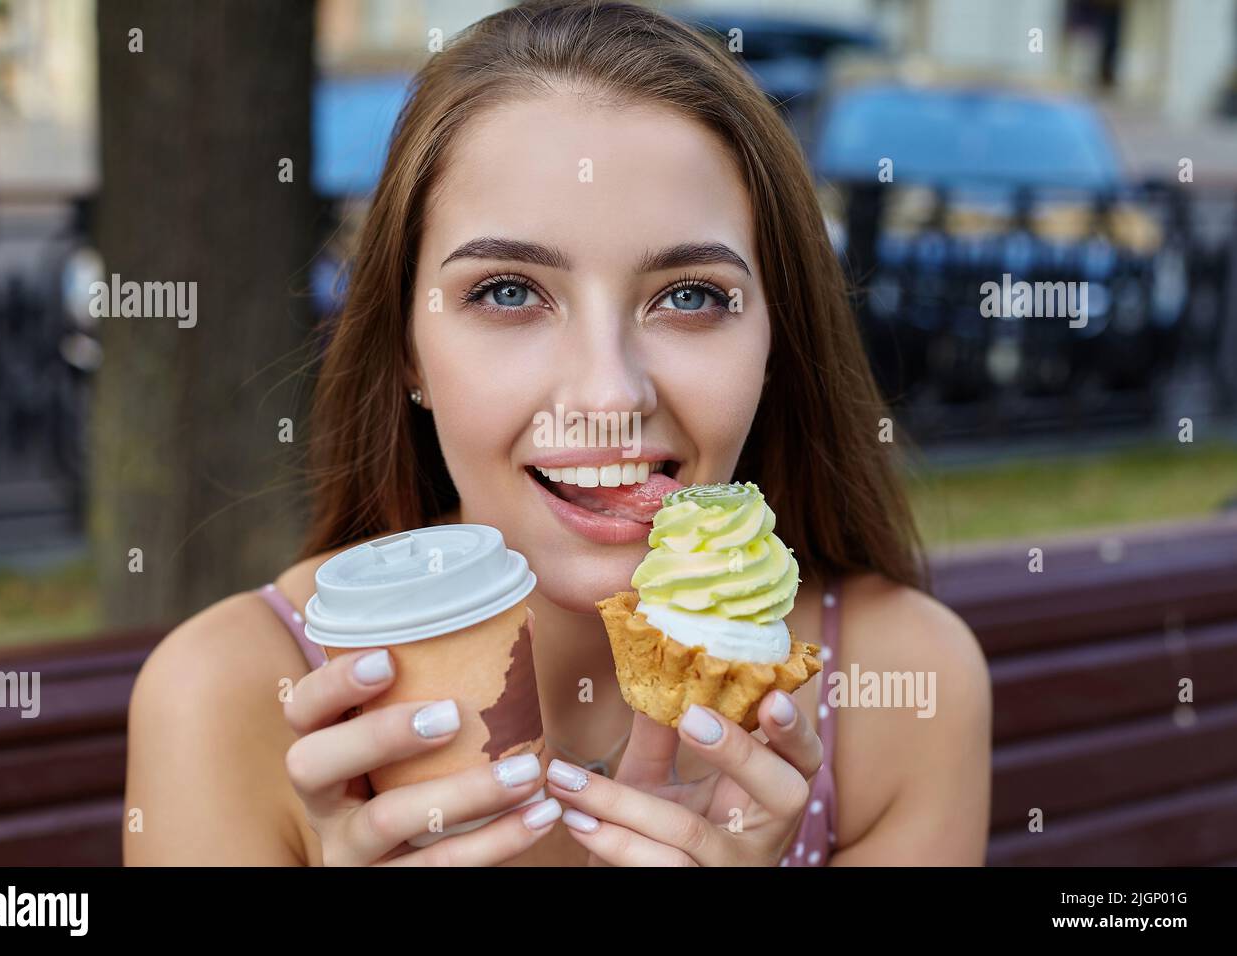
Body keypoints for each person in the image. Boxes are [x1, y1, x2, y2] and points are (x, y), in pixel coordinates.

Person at [124, 0, 991, 866]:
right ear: (406, 350)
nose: (609, 391)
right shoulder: (227, 698)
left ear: (776, 341)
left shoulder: (904, 685)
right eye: (508, 293)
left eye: (690, 295)